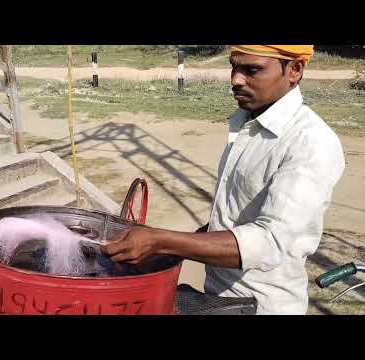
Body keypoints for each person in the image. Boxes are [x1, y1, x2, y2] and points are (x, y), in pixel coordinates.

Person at [100, 45, 345, 315]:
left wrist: (161, 240)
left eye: (252, 70)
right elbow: (232, 217)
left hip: (259, 307)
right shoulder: (246, 123)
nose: (235, 79)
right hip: (218, 298)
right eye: (234, 67)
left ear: (295, 70)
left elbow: (269, 243)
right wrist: (169, 251)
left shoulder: (311, 143)